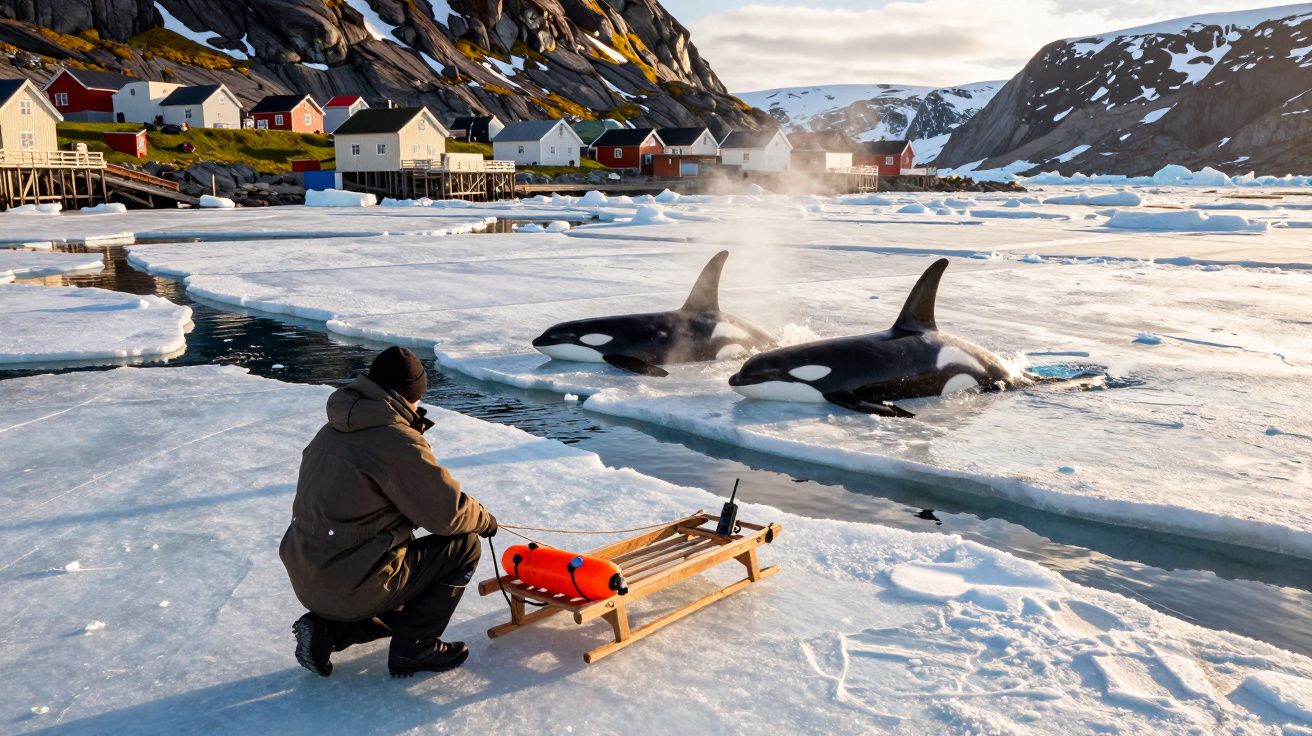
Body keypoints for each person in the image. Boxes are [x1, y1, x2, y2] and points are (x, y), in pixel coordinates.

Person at [279, 346, 498, 678]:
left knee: (406, 571)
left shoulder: (337, 425)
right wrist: (483, 518)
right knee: (463, 545)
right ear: (409, 395)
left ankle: (331, 632)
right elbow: (448, 515)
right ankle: (416, 648)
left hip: (310, 574)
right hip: (349, 583)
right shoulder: (394, 439)